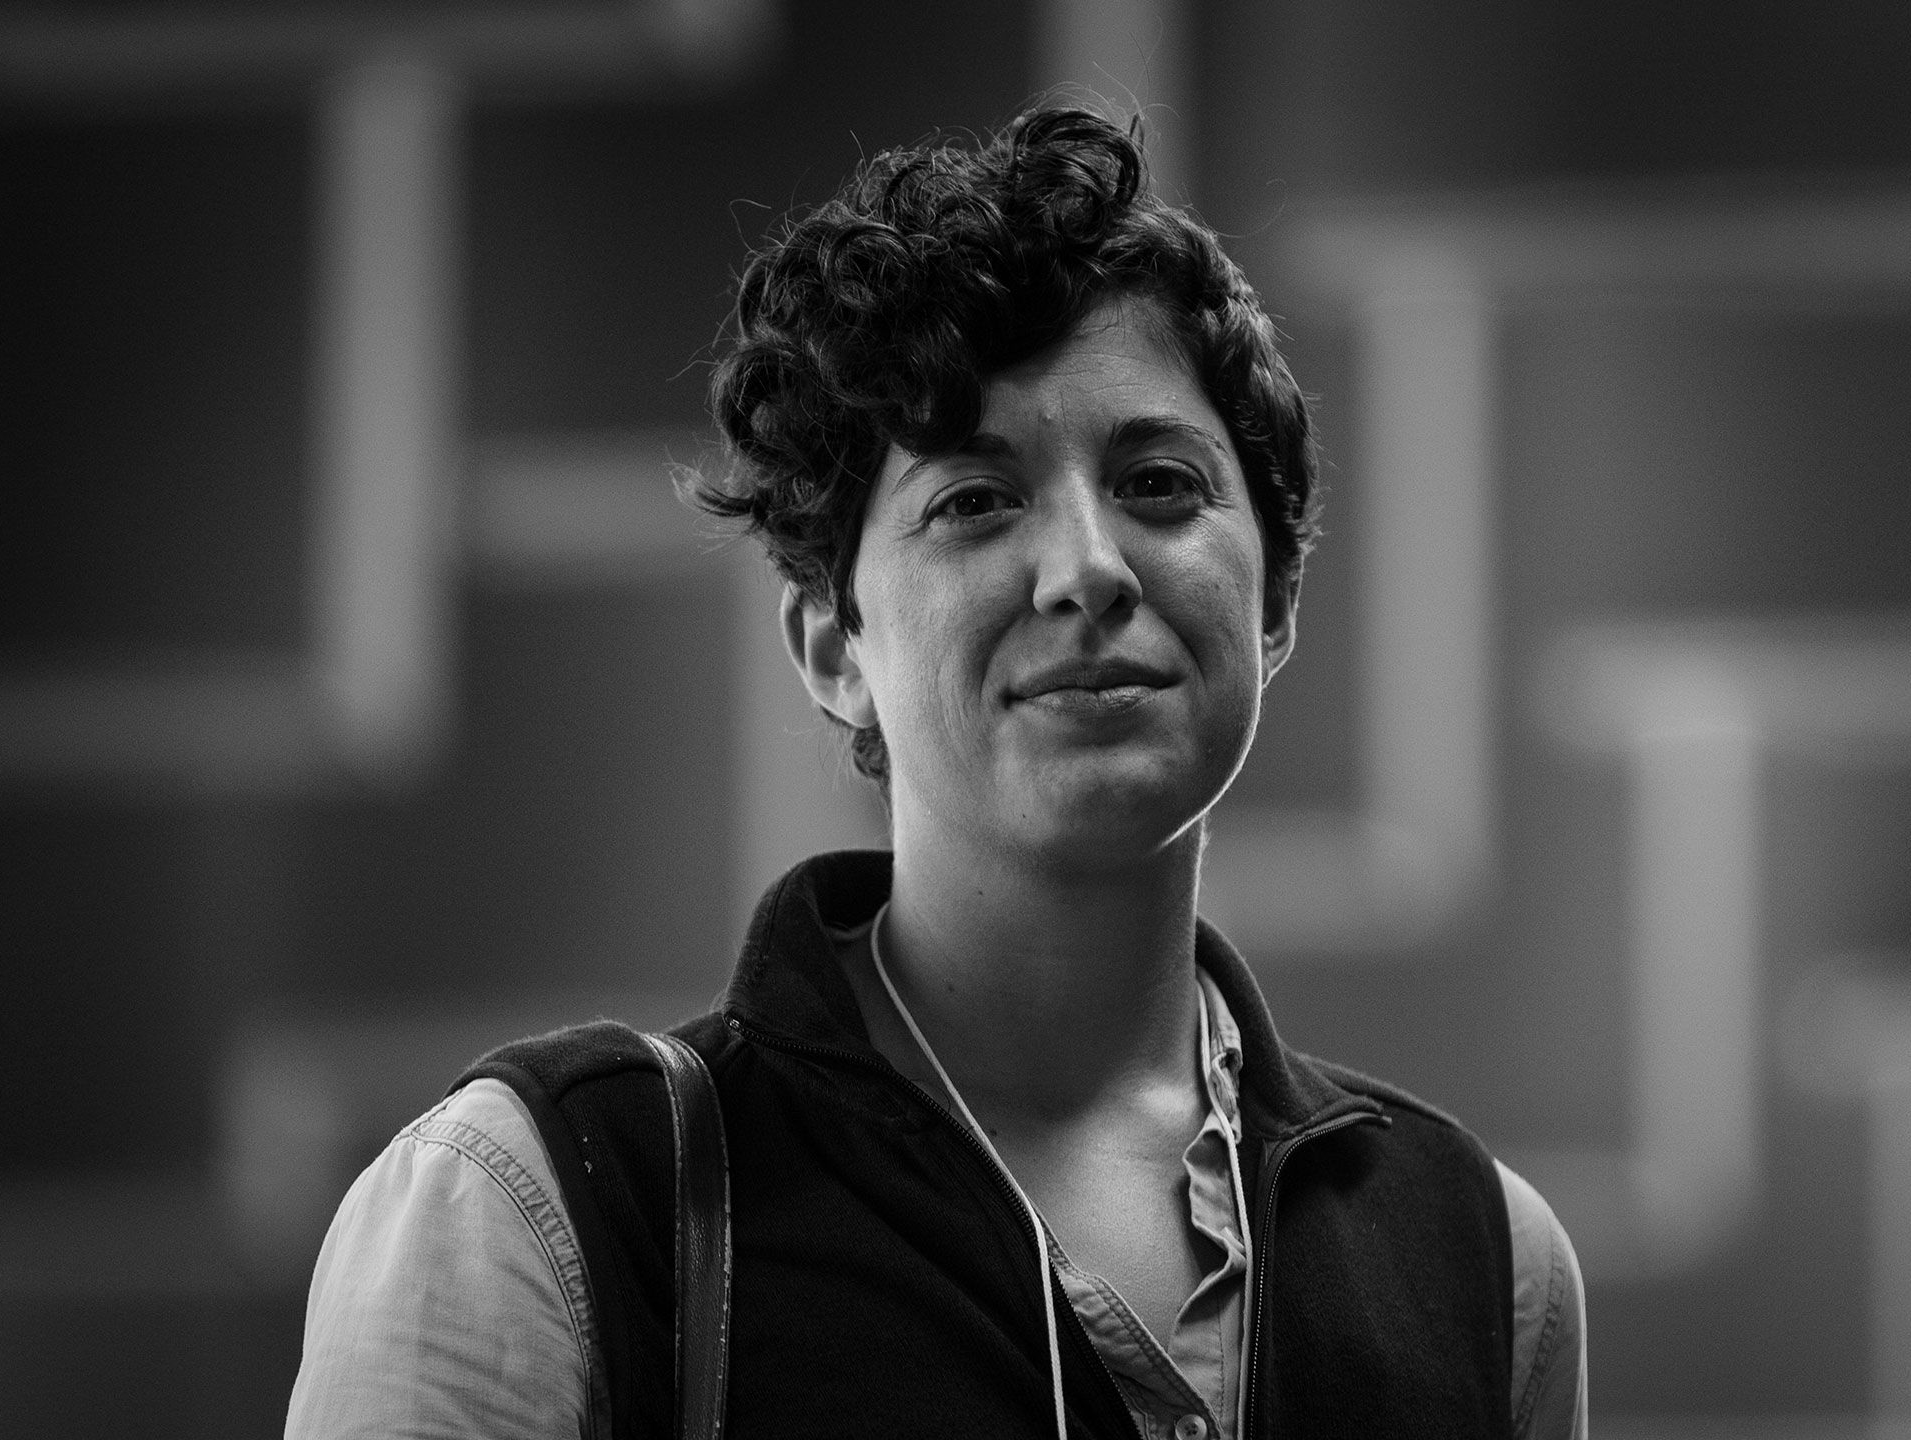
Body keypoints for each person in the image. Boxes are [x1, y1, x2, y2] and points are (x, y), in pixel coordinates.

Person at [287, 106, 1583, 1439]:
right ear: (832, 647)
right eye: (975, 499)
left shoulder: (1483, 1256)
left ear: (1277, 598)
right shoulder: (541, 1200)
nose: (1088, 568)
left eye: (1158, 482)